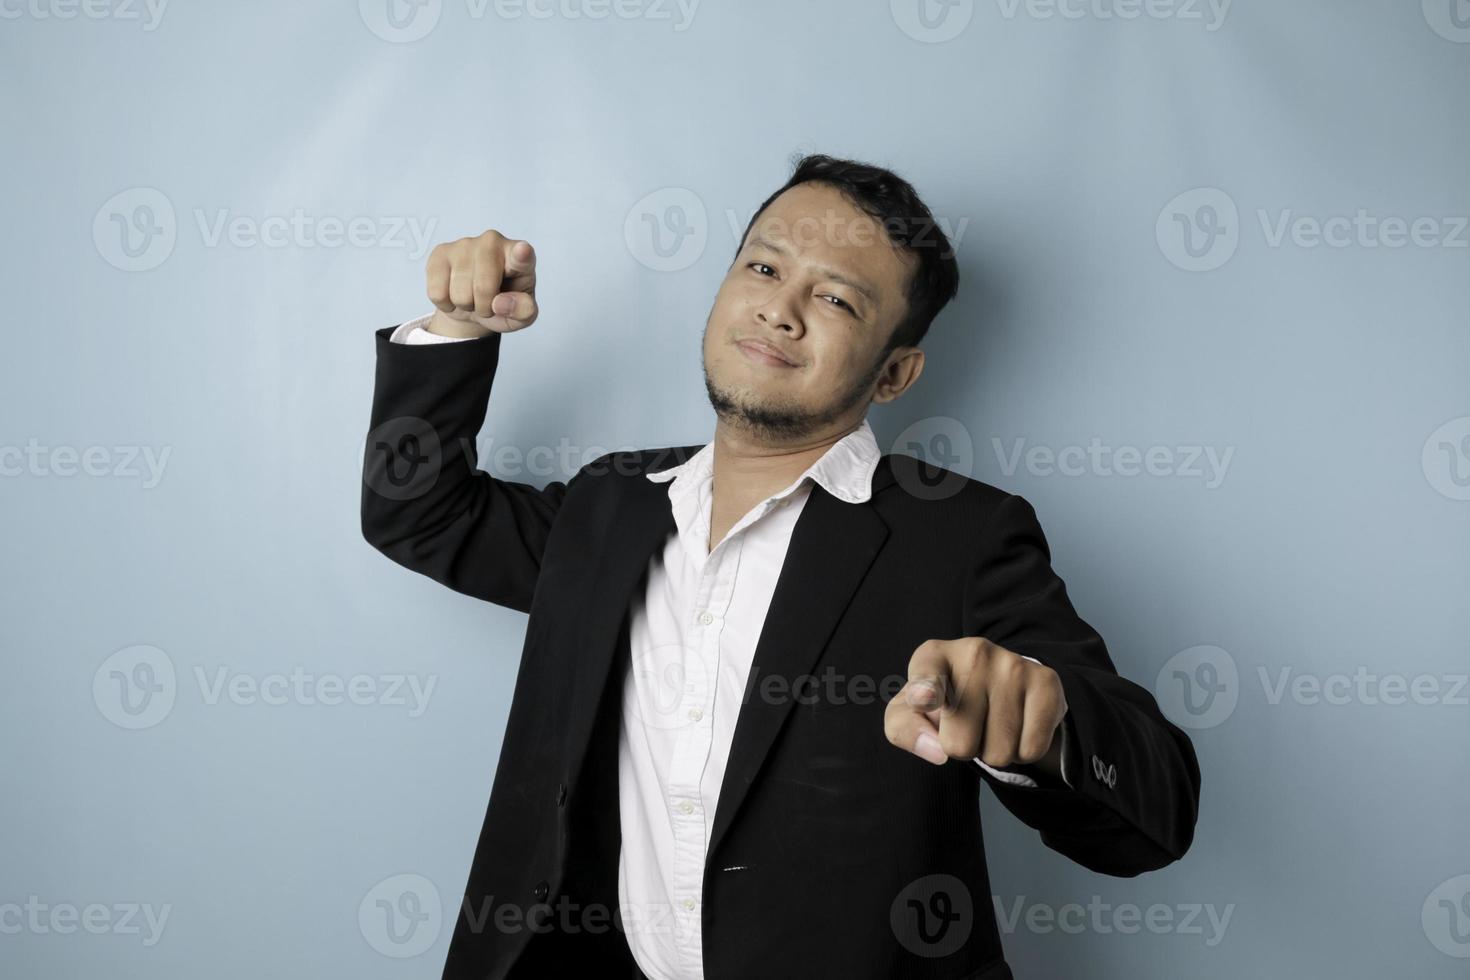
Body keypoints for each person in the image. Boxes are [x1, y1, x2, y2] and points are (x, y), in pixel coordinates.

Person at [360, 153, 1201, 980]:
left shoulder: (965, 537)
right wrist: (459, 327)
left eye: (835, 297)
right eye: (763, 267)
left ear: (896, 373)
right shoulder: (607, 504)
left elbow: (1155, 816)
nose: (781, 310)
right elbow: (421, 513)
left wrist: (1045, 731)